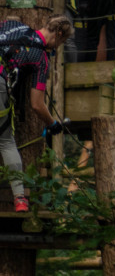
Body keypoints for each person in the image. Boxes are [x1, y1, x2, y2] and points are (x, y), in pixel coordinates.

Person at [0, 16, 71, 212]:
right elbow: (37, 105)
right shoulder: (40, 57)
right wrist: (52, 124)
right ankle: (20, 199)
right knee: (6, 142)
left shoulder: (13, 25)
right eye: (61, 43)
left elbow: (8, 20)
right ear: (59, 34)